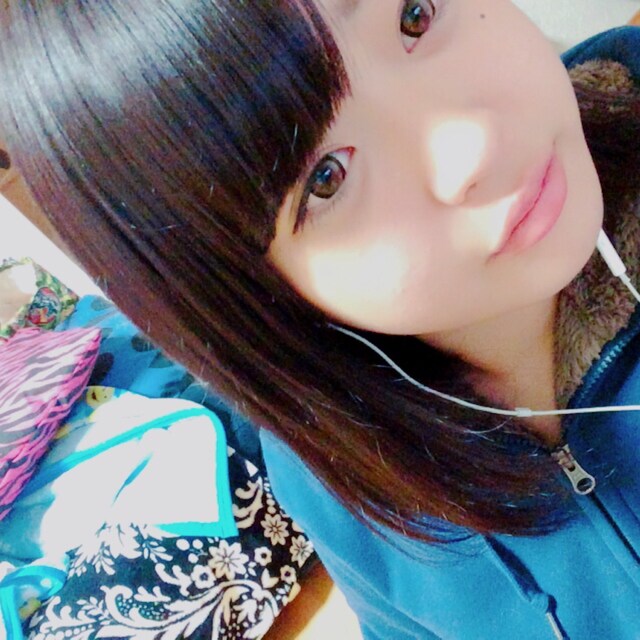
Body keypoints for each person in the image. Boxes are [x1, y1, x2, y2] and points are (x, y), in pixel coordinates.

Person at [0, 1, 639, 637]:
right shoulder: (340, 477)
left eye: (414, 17)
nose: (473, 146)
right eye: (328, 178)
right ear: (250, 297)